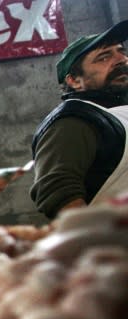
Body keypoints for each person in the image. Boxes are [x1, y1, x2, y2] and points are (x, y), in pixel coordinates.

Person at [30, 20, 128, 218]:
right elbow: (56, 191)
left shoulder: (119, 111)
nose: (121, 60)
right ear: (74, 81)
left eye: (122, 51)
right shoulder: (74, 120)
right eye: (103, 57)